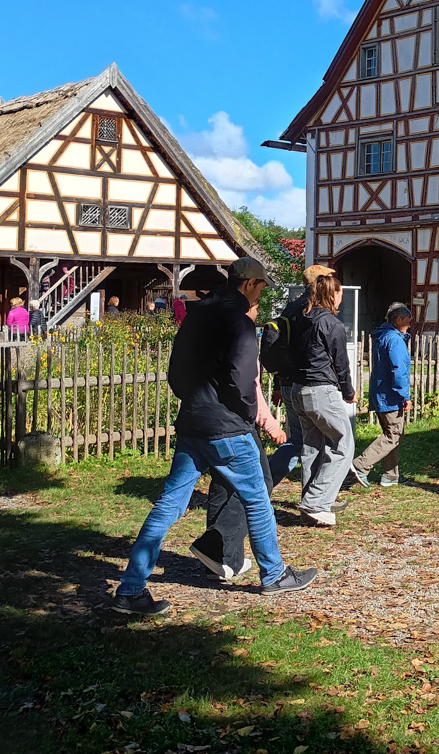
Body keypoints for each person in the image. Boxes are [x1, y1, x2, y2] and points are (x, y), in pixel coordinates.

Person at [111, 257, 317, 615]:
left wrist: (196, 402)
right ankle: (274, 574)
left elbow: (176, 373)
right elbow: (242, 380)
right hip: (228, 428)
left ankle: (130, 589)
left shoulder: (196, 316)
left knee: (168, 505)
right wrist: (248, 416)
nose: (261, 294)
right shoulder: (239, 322)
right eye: (261, 287)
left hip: (193, 423)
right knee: (257, 500)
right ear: (249, 284)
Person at [189, 294, 288, 580]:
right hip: (236, 424)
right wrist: (270, 425)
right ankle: (216, 545)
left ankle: (223, 561)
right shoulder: (242, 336)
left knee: (222, 485)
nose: (256, 315)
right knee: (260, 484)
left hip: (208, 420)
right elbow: (250, 388)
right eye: (256, 308)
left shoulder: (210, 333)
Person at [289, 271, 357, 527]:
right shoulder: (331, 323)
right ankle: (316, 503)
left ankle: (310, 506)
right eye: (339, 294)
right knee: (343, 445)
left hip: (298, 389)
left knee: (312, 447)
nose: (341, 299)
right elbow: (341, 363)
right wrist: (348, 392)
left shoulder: (300, 316)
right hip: (320, 391)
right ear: (332, 295)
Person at [266, 264, 335, 485]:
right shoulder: (312, 310)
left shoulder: (291, 307)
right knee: (307, 442)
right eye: (329, 279)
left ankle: (267, 484)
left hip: (289, 382)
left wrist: (279, 384)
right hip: (306, 384)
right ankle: (263, 484)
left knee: (303, 441)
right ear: (320, 282)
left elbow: (282, 346)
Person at [352, 302, 414, 489]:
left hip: (380, 393)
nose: (409, 326)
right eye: (408, 322)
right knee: (393, 434)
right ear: (399, 320)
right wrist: (405, 396)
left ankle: (390, 476)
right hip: (391, 395)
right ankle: (361, 465)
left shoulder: (382, 336)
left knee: (392, 433)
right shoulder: (395, 340)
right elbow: (399, 370)